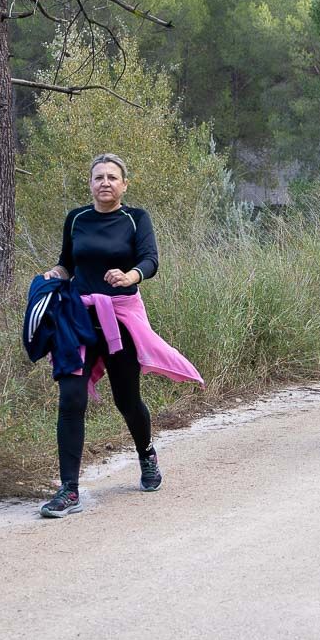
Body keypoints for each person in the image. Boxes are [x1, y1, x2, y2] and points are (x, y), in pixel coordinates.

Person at [36, 153, 202, 517]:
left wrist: (131, 277)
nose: (105, 183)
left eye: (112, 177)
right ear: (90, 183)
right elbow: (67, 262)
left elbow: (150, 259)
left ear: (124, 184)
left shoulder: (135, 218)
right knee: (71, 400)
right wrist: (54, 274)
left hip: (120, 320)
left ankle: (146, 455)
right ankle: (69, 490)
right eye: (99, 177)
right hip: (79, 319)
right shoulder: (76, 218)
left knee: (127, 400)